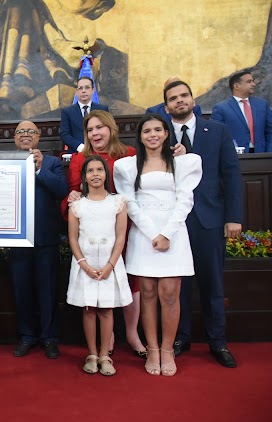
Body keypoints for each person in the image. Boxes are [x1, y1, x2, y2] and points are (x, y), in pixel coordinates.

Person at [114, 114, 202, 376]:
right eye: (146, 131)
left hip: (174, 233)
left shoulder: (184, 162)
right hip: (144, 234)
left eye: (157, 130)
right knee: (148, 293)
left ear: (166, 134)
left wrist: (167, 233)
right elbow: (129, 203)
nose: (152, 135)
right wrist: (153, 233)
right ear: (140, 137)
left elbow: (185, 200)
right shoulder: (128, 166)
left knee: (170, 294)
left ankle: (167, 349)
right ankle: (152, 348)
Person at [164, 80, 242, 368]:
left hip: (209, 219)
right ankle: (181, 337)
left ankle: (217, 342)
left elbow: (231, 175)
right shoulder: (157, 133)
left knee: (213, 284)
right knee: (177, 286)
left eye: (184, 95)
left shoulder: (217, 131)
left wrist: (233, 217)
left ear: (193, 99)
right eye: (173, 98)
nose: (180, 101)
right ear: (166, 105)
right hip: (173, 222)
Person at [61, 110, 147, 358]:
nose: (95, 133)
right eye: (90, 129)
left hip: (126, 226)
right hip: (94, 229)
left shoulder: (129, 154)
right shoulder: (80, 158)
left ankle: (132, 333)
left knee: (131, 279)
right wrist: (73, 197)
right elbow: (74, 192)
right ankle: (105, 336)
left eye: (100, 127)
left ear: (111, 128)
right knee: (99, 281)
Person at [67, 155, 131, 376]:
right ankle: (92, 354)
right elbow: (73, 238)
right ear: (84, 177)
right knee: (89, 308)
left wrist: (110, 265)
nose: (95, 174)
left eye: (99, 170)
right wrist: (84, 264)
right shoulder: (77, 205)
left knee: (106, 309)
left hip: (109, 263)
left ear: (106, 174)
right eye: (90, 171)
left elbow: (121, 236)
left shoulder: (118, 202)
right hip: (85, 264)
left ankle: (105, 354)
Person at [10, 120, 69, 359]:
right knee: (21, 290)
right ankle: (27, 337)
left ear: (38, 136)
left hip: (45, 238)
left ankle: (49, 338)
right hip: (15, 239)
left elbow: (61, 190)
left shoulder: (53, 162)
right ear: (14, 138)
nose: (25, 135)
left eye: (30, 131)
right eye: (20, 132)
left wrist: (39, 169)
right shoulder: (6, 164)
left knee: (48, 291)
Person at [210, 70, 272, 153]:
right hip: (235, 156)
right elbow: (215, 135)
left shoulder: (262, 105)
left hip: (261, 154)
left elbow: (270, 131)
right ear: (236, 86)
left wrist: (268, 152)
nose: (253, 84)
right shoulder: (221, 108)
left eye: (253, 81)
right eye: (249, 82)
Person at [60, 77, 109, 153]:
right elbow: (64, 134)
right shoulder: (67, 112)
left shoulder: (102, 109)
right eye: (80, 88)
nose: (83, 91)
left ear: (93, 90)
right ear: (76, 91)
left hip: (99, 151)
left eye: (87, 88)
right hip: (76, 152)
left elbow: (108, 130)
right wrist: (80, 147)